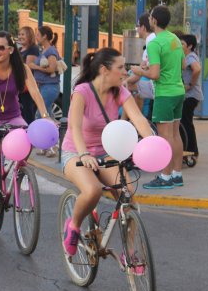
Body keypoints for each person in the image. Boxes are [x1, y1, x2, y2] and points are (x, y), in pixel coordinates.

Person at [61, 48, 153, 256]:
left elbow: (138, 119)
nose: (125, 72)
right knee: (92, 190)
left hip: (105, 152)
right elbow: (74, 127)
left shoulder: (120, 91)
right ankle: (73, 225)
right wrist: (84, 154)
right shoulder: (82, 91)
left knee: (128, 197)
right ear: (104, 69)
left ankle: (130, 254)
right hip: (76, 152)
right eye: (120, 67)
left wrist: (151, 142)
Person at [0, 31, 49, 229]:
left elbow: (34, 92)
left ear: (10, 50)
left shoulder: (21, 68)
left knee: (27, 134)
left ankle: (21, 170)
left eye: (1, 47)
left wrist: (45, 115)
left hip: (13, 116)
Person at [131, 6, 185, 189]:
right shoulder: (175, 39)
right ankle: (177, 174)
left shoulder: (154, 43)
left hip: (164, 94)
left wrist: (139, 70)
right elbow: (183, 64)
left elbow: (154, 74)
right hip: (178, 91)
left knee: (164, 137)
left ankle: (165, 176)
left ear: (153, 21)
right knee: (176, 133)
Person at [32, 25, 61, 156]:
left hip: (49, 87)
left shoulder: (51, 51)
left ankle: (51, 144)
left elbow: (52, 69)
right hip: (44, 86)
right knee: (47, 115)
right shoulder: (45, 50)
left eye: (38, 34)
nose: (36, 37)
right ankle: (49, 145)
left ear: (44, 36)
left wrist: (35, 66)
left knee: (41, 114)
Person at [124, 13, 156, 117]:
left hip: (157, 87)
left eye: (137, 26)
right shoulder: (151, 40)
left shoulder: (151, 42)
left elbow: (139, 73)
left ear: (142, 27)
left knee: (126, 92)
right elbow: (142, 68)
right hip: (166, 86)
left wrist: (125, 82)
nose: (137, 29)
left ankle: (135, 122)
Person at [179, 34, 203, 161]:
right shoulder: (185, 57)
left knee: (186, 123)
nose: (180, 45)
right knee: (184, 123)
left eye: (182, 44)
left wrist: (190, 85)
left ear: (190, 46)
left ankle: (192, 151)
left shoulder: (191, 56)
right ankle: (189, 150)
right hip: (188, 96)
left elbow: (197, 69)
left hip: (191, 96)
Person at [17, 26, 40, 125]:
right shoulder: (19, 49)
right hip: (19, 84)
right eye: (19, 34)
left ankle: (29, 132)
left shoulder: (33, 49)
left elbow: (27, 67)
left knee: (28, 112)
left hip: (27, 86)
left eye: (23, 34)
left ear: (29, 36)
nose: (20, 36)